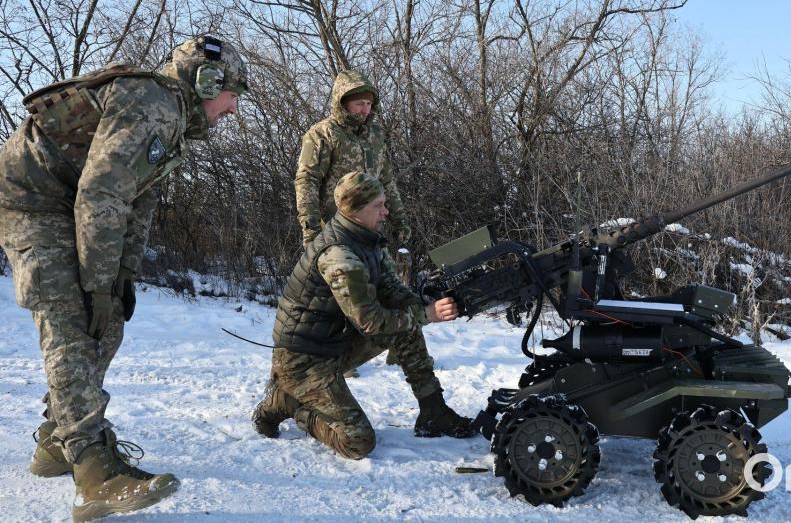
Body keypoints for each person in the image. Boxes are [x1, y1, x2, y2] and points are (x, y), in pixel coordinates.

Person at [0, 35, 247, 521]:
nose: (235, 108)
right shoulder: (152, 100)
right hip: (31, 200)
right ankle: (93, 472)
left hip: (69, 202)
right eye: (233, 93)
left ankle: (57, 440)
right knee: (72, 319)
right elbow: (101, 195)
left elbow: (138, 202)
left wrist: (120, 280)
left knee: (107, 316)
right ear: (206, 82)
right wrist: (95, 284)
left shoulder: (171, 121)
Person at [252, 171, 475, 459]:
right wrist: (425, 314)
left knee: (404, 320)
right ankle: (290, 403)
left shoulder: (366, 239)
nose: (386, 211)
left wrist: (427, 303)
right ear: (355, 210)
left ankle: (433, 410)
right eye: (378, 205)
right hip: (303, 361)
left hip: (334, 345)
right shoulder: (339, 256)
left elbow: (393, 292)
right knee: (357, 442)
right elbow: (369, 320)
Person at [295, 69, 411, 247]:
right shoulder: (323, 134)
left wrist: (400, 221)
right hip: (334, 231)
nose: (365, 110)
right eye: (359, 104)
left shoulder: (376, 136)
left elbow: (386, 181)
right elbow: (307, 180)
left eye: (369, 104)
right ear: (343, 103)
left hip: (370, 231)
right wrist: (311, 229)